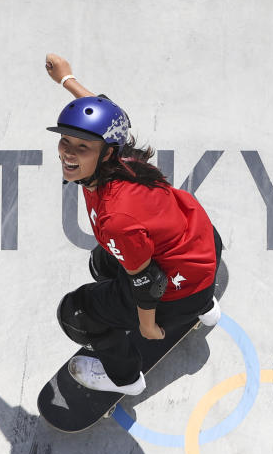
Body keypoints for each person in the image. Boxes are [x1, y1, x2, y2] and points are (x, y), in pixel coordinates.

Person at [44, 53, 222, 395]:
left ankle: (124, 379)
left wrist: (149, 327)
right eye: (65, 141)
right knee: (102, 262)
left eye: (82, 148)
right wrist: (66, 78)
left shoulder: (117, 218)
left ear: (106, 153)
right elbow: (108, 114)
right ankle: (207, 308)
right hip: (200, 243)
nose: (68, 153)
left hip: (177, 285)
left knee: (76, 314)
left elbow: (147, 282)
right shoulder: (119, 152)